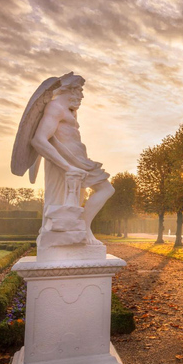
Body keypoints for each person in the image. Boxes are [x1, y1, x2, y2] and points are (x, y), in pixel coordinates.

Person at [30, 74, 112, 245]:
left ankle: (82, 227)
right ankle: (84, 227)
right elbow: (38, 140)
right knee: (106, 189)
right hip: (71, 161)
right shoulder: (55, 107)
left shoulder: (68, 110)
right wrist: (67, 167)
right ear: (70, 90)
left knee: (93, 194)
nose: (81, 97)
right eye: (80, 91)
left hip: (79, 159)